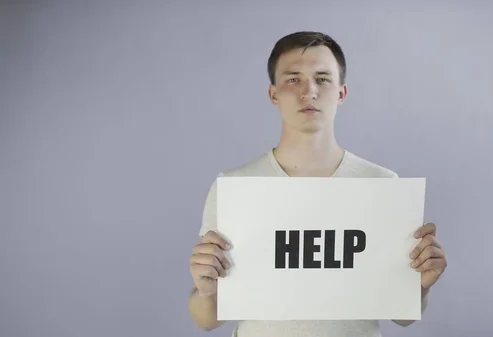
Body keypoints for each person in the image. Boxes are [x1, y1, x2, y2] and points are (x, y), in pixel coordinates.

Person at [188, 31, 448, 337]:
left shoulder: (382, 186)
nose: (308, 91)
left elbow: (402, 317)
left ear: (341, 93)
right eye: (293, 79)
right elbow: (207, 320)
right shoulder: (235, 187)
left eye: (323, 79)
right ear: (274, 94)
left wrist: (417, 286)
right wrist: (206, 291)